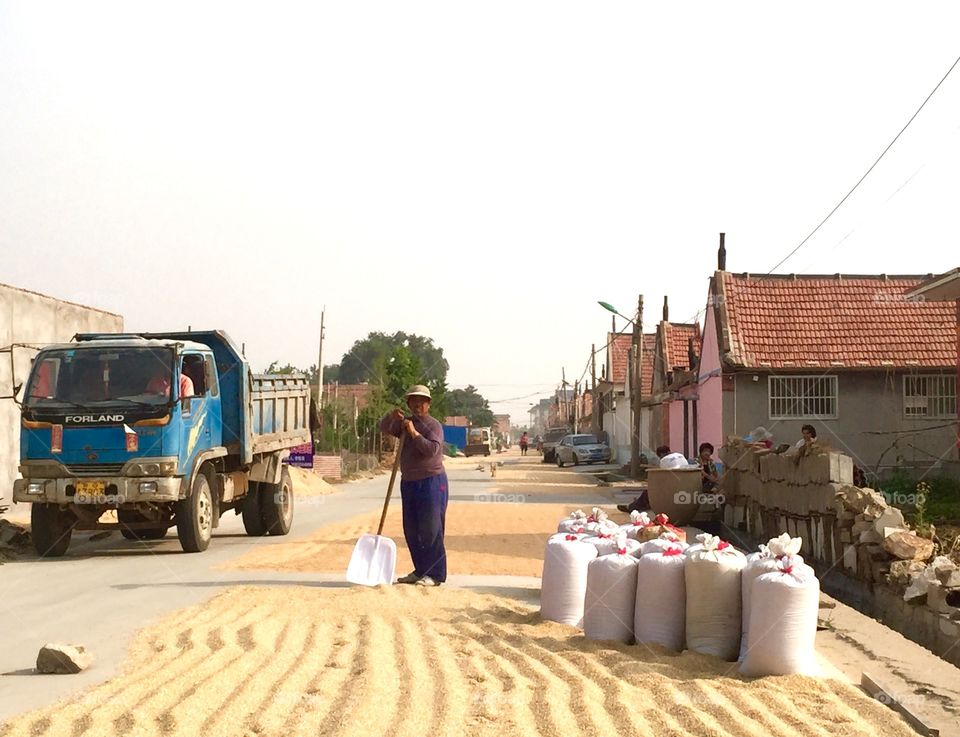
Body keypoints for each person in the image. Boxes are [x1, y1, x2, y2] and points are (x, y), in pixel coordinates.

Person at [379, 384, 448, 587]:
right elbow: (384, 428)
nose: (417, 405)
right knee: (412, 529)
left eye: (421, 401)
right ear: (408, 403)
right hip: (409, 482)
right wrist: (391, 418)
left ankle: (435, 574)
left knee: (431, 529)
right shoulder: (404, 423)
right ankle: (420, 570)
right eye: (413, 401)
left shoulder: (433, 426)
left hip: (432, 482)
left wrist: (414, 433)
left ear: (428, 404)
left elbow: (431, 451)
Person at [617, 445, 672, 513]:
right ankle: (644, 504)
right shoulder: (680, 456)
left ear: (662, 454)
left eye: (660, 456)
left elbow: (662, 476)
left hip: (671, 487)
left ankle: (631, 507)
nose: (660, 458)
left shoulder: (665, 460)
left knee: (648, 492)